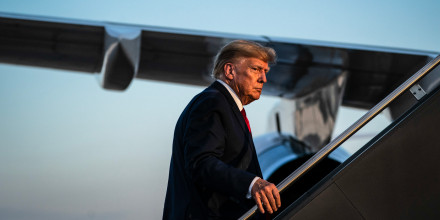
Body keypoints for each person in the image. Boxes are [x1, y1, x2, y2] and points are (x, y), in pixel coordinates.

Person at [163, 40, 281, 219]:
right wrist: (252, 184)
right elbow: (201, 163)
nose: (263, 79)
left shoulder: (227, 106)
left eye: (265, 72)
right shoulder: (212, 102)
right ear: (230, 71)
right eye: (256, 69)